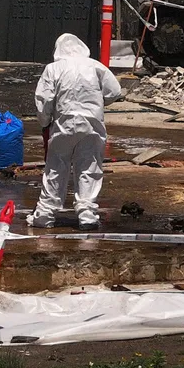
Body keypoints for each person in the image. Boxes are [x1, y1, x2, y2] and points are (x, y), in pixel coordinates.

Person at [26, 33, 122, 229]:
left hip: (64, 124)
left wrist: (45, 122)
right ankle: (87, 215)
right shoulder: (95, 66)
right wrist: (97, 104)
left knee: (56, 167)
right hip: (92, 123)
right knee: (90, 167)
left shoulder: (53, 69)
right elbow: (114, 91)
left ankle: (45, 214)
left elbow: (44, 101)